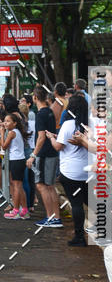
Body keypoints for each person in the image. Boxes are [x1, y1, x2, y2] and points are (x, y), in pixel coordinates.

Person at [46, 94, 89, 246]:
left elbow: (59, 146)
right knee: (89, 200)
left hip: (71, 172)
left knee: (76, 204)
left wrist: (51, 138)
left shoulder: (69, 124)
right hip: (88, 171)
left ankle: (79, 237)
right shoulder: (90, 125)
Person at [26, 86, 62, 228]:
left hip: (44, 154)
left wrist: (33, 155)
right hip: (51, 152)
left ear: (35, 98)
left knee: (42, 185)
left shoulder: (41, 114)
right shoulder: (50, 112)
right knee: (50, 186)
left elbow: (41, 137)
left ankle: (50, 217)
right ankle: (55, 218)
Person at [0, 112, 29, 219]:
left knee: (16, 186)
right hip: (18, 160)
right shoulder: (17, 131)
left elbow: (4, 146)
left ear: (15, 123)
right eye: (5, 121)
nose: (5, 123)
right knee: (18, 186)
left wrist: (2, 133)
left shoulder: (12, 133)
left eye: (8, 121)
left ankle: (16, 210)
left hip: (16, 161)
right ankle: (24, 209)